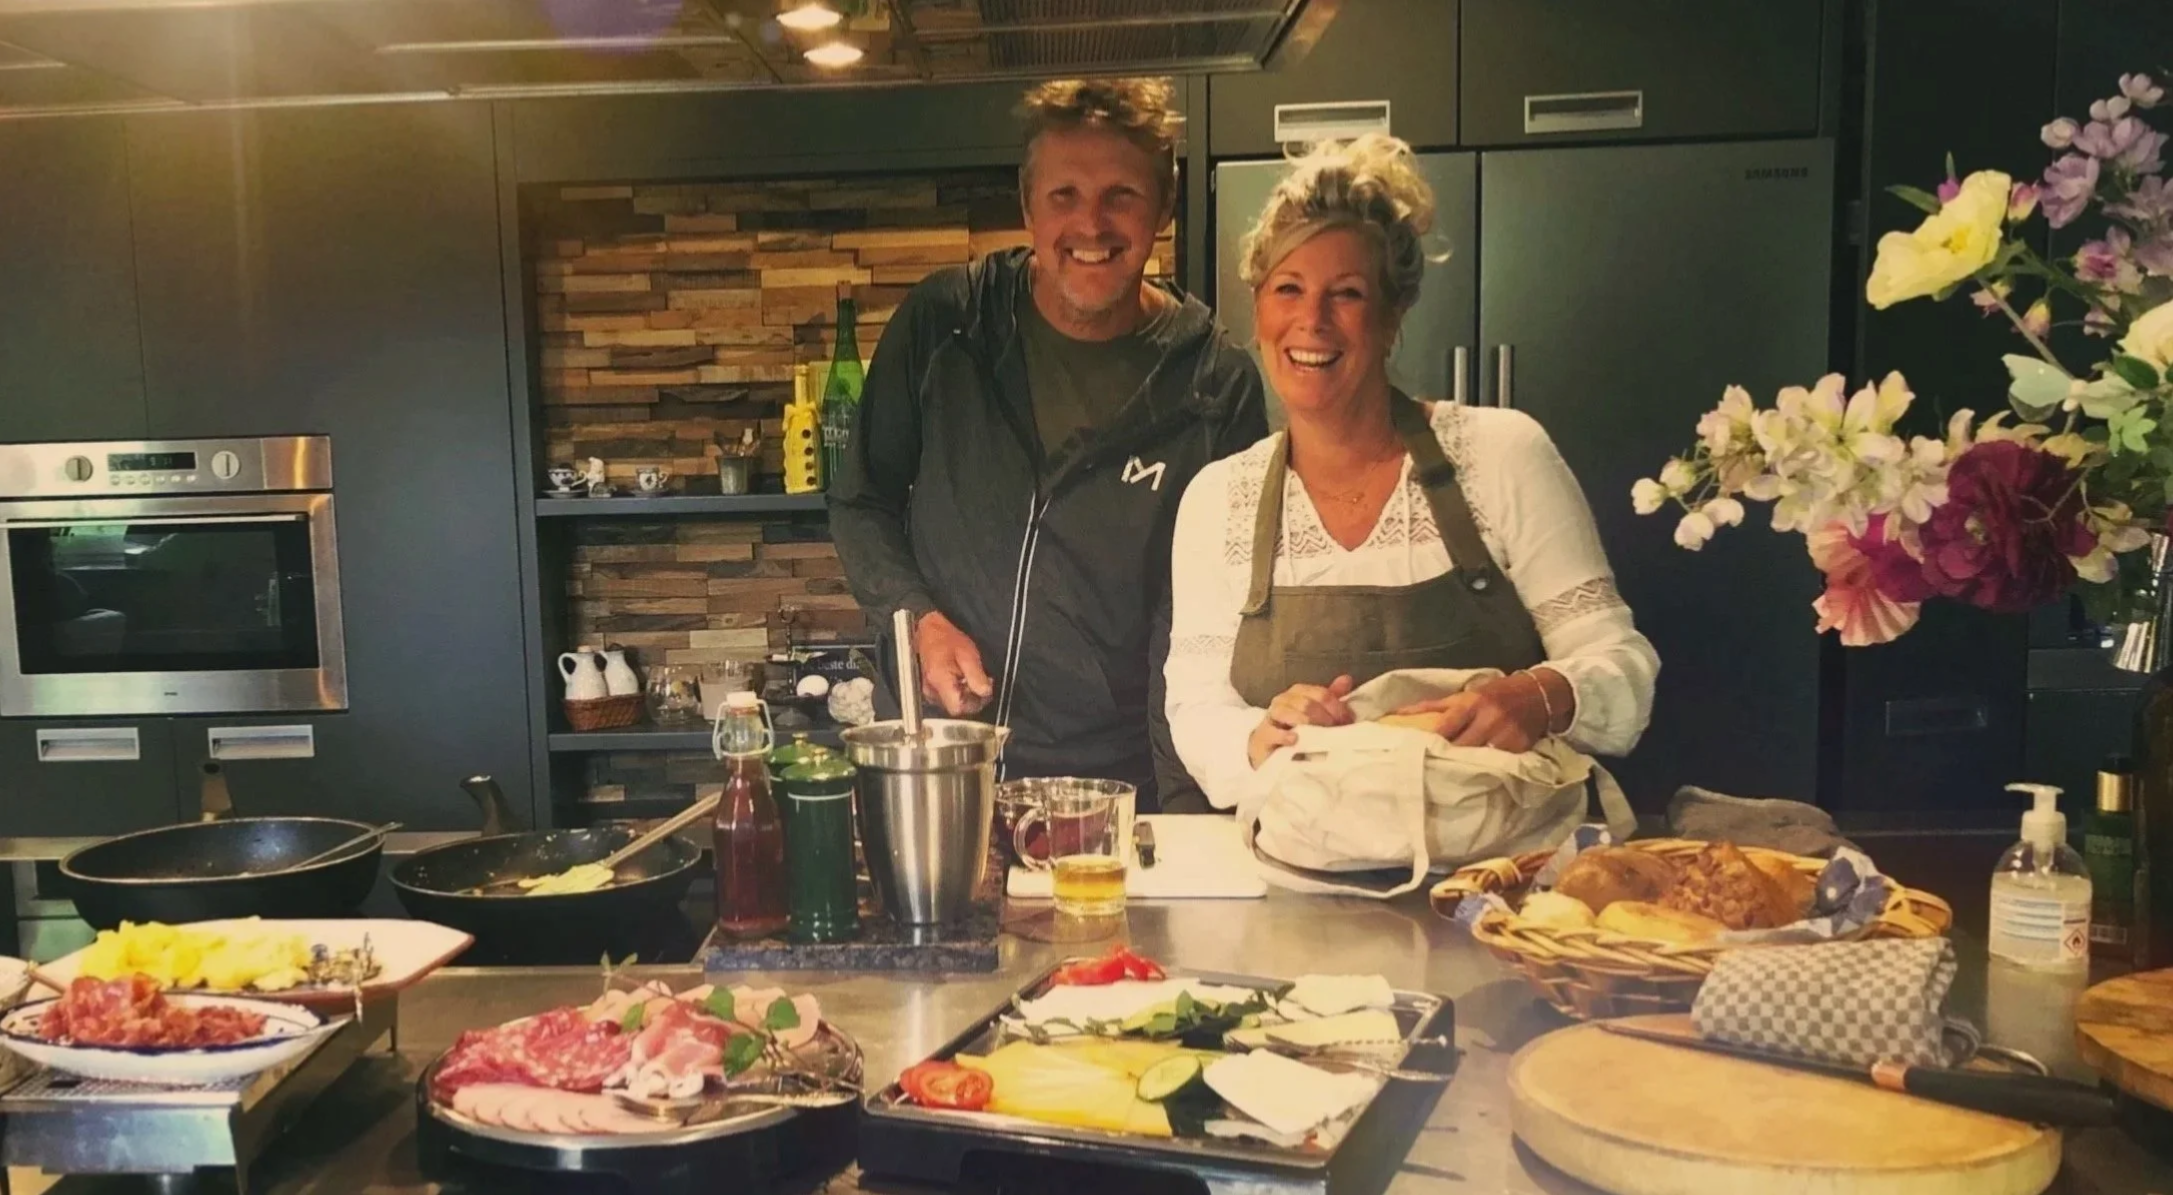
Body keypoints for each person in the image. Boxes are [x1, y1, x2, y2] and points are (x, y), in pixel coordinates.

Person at [1164, 135, 1659, 811]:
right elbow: (1195, 704)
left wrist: (1537, 696)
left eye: (1346, 293)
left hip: (1500, 860)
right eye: (1288, 289)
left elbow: (1623, 663)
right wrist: (1259, 735)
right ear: (1258, 311)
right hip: (1298, 859)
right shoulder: (1219, 498)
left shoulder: (1501, 454)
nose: (1311, 320)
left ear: (1391, 315)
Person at [829, 78, 1267, 809]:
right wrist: (917, 619)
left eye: (1121, 195)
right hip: (934, 757)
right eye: (1065, 194)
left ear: (1164, 206)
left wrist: (1184, 811)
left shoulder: (1216, 385)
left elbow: (1218, 621)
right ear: (1028, 205)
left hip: (1109, 784)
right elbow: (860, 499)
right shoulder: (947, 324)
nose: (1091, 224)